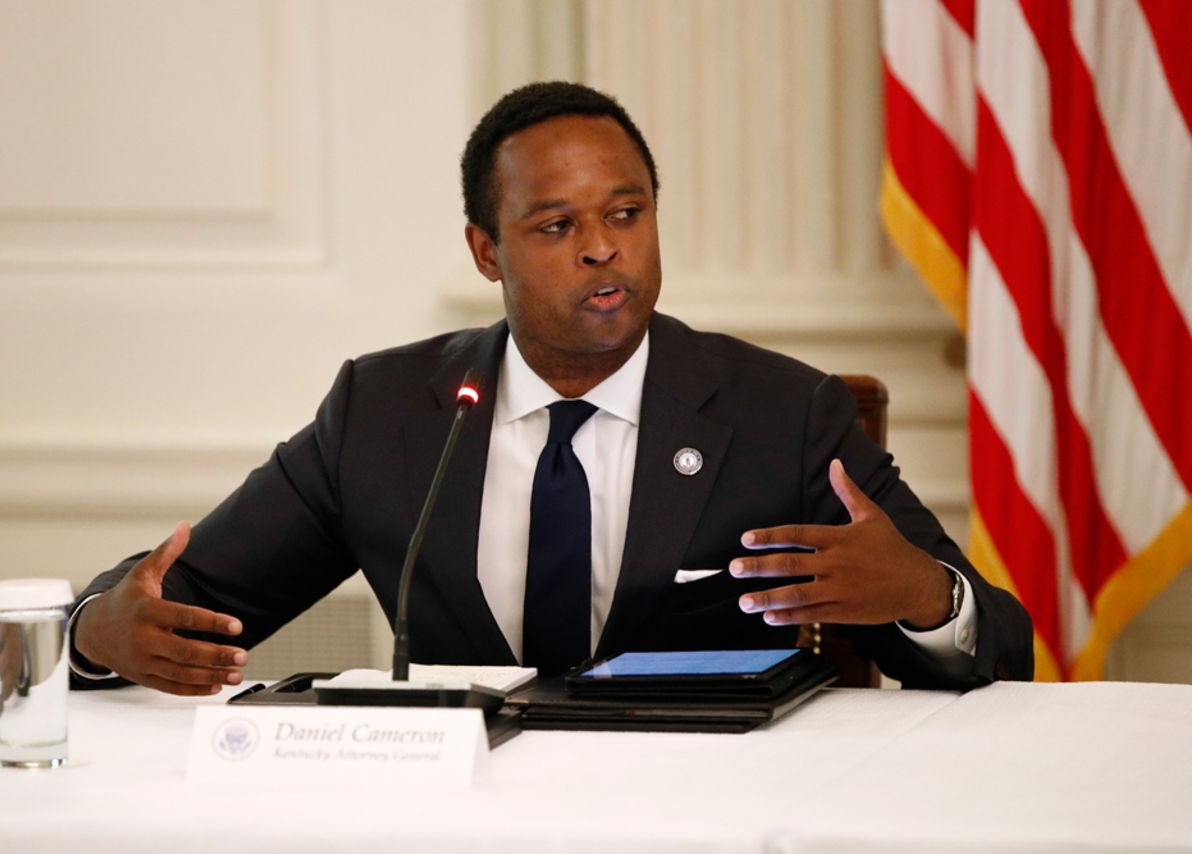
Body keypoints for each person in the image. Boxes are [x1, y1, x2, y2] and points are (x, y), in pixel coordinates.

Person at [69, 82, 1033, 695]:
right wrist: (97, 633)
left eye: (626, 212)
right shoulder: (386, 414)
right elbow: (181, 601)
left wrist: (922, 594)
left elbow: (1000, 644)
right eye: (555, 225)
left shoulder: (784, 415)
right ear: (486, 251)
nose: (604, 246)